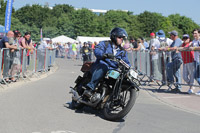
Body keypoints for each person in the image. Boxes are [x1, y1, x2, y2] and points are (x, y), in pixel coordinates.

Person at [83, 27, 130, 96]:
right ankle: (90, 88)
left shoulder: (122, 51)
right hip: (100, 65)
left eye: (122, 38)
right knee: (103, 67)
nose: (121, 39)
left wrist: (129, 68)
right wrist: (104, 55)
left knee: (122, 77)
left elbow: (127, 62)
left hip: (113, 70)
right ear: (114, 37)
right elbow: (97, 50)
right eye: (120, 37)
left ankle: (113, 95)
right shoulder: (105, 44)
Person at [188, 29, 200, 95]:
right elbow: (190, 45)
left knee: (197, 75)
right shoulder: (194, 41)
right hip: (196, 60)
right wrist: (190, 46)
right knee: (196, 76)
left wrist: (194, 48)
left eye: (195, 33)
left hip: (199, 60)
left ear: (199, 34)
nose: (194, 35)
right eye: (193, 33)